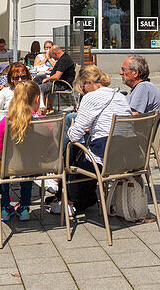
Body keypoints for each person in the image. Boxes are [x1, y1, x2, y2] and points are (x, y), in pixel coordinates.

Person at [56, 65, 132, 216]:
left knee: (73, 151)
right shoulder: (119, 96)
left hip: (105, 158)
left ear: (89, 82)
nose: (83, 92)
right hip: (126, 156)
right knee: (83, 151)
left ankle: (68, 200)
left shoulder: (91, 97)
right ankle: (83, 197)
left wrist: (72, 128)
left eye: (83, 88)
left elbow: (74, 135)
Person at [0, 80, 42, 221]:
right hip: (35, 165)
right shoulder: (43, 122)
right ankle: (25, 207)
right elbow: (50, 147)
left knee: (2, 165)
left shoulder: (6, 122)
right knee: (28, 165)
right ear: (37, 99)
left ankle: (4, 207)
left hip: (10, 165)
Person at [40, 41, 75, 109]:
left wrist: (47, 79)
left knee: (38, 88)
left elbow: (57, 76)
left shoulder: (64, 60)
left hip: (62, 84)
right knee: (37, 83)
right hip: (58, 82)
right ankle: (47, 107)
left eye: (51, 55)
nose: (52, 57)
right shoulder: (63, 58)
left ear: (55, 53)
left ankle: (42, 107)